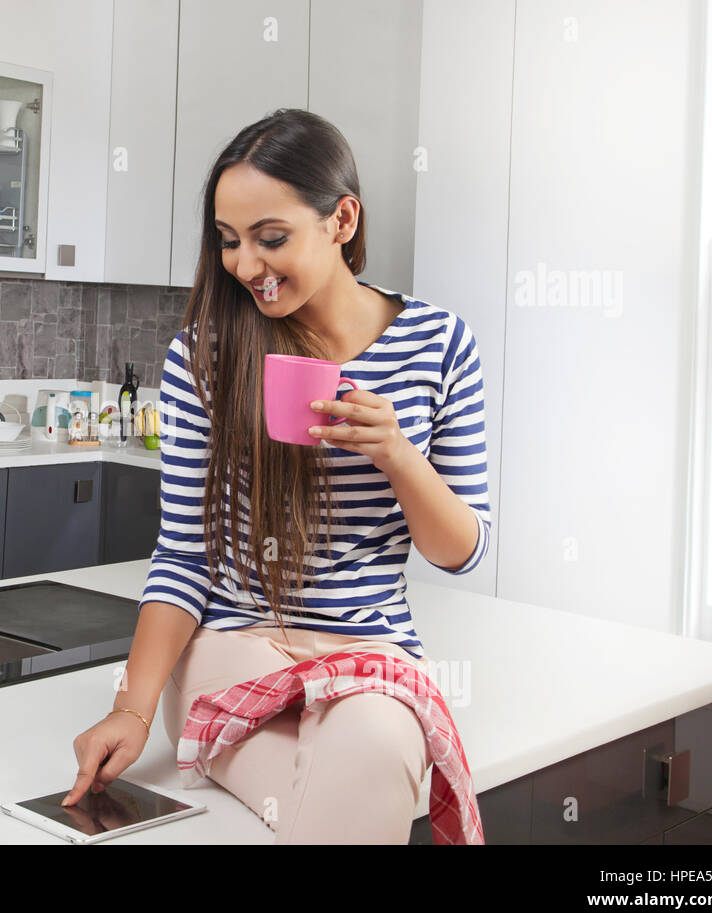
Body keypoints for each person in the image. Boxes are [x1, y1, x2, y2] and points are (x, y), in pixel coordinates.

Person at [62, 108, 490, 843]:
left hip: (368, 653)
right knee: (354, 796)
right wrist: (132, 709)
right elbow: (184, 558)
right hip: (232, 647)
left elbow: (460, 550)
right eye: (229, 242)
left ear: (341, 219)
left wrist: (397, 454)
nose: (245, 266)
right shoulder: (206, 354)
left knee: (373, 753)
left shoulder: (440, 345)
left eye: (271, 238)